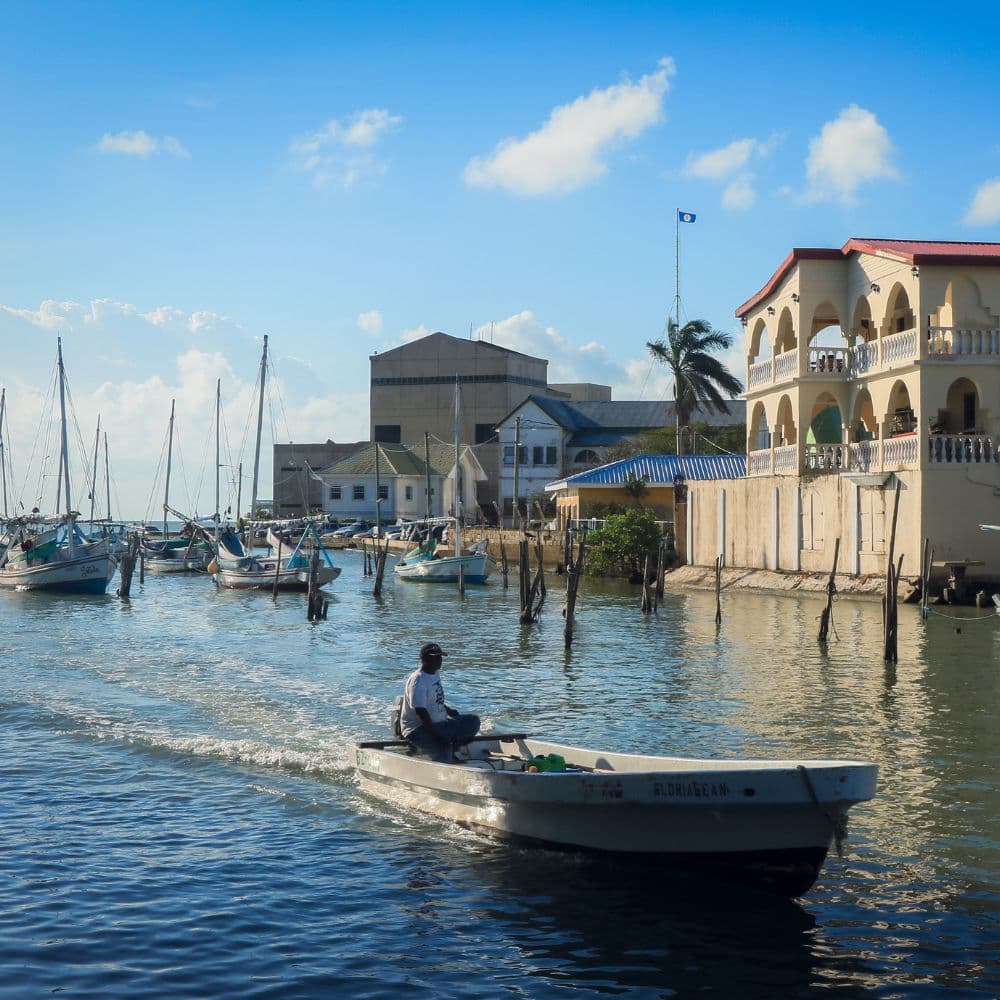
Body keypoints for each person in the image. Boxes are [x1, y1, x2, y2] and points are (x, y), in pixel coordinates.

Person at [400, 642, 479, 761]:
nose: (439, 660)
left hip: (441, 723)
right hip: (418, 729)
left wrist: (448, 710)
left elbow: (434, 700)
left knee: (473, 721)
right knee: (444, 750)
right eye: (435, 657)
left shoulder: (435, 673)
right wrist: (437, 736)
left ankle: (452, 745)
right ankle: (444, 755)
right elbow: (420, 711)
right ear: (425, 659)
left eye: (440, 657)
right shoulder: (418, 680)